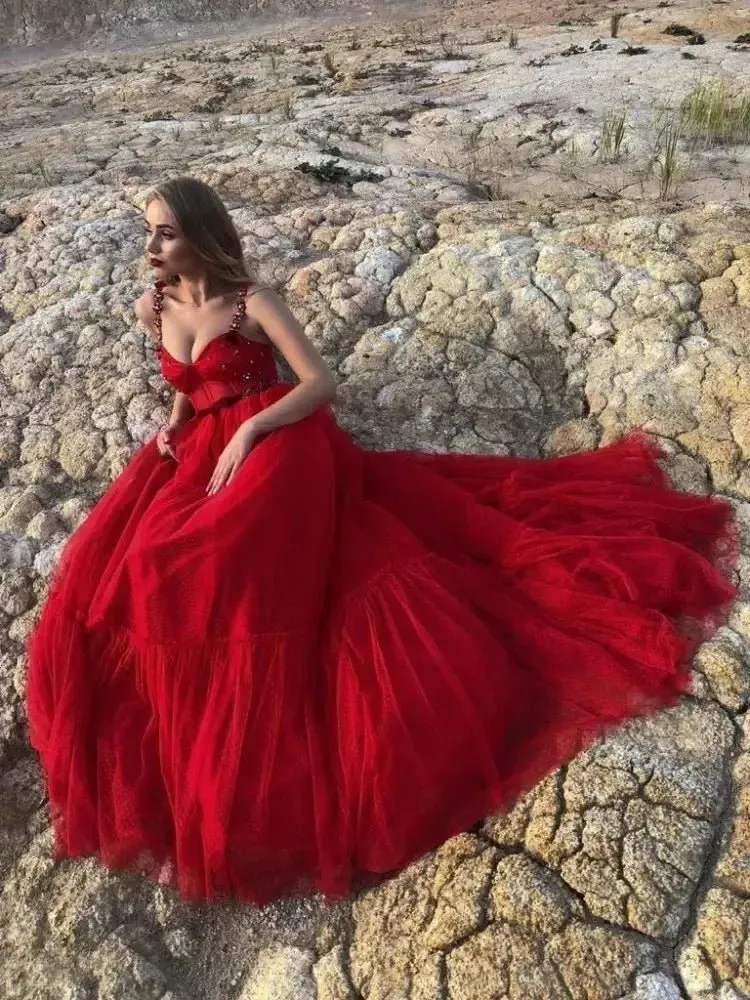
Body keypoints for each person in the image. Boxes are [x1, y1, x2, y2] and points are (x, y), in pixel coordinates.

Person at [25, 176, 738, 907]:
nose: (151, 248)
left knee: (217, 557)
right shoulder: (158, 304)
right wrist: (175, 431)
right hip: (204, 446)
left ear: (202, 234)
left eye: (166, 233)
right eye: (148, 232)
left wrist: (250, 427)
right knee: (141, 565)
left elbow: (318, 383)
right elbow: (183, 385)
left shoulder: (252, 303)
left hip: (280, 441)